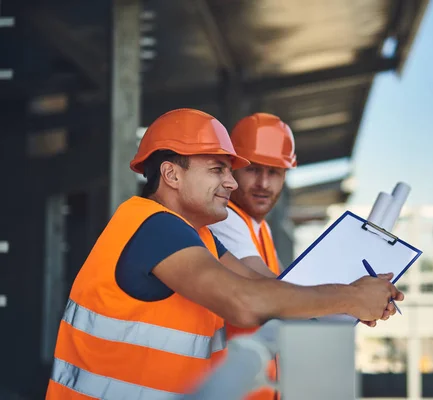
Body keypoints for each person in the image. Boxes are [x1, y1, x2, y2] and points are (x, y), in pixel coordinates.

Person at [45, 108, 403, 399]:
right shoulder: (154, 226)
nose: (231, 184)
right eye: (218, 170)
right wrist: (352, 296)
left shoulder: (197, 236)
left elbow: (270, 289)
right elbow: (244, 302)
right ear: (171, 174)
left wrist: (354, 299)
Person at [209, 113, 296, 400]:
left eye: (275, 173)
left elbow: (290, 285)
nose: (264, 183)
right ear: (231, 170)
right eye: (254, 170)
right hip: (223, 387)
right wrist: (348, 297)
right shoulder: (225, 219)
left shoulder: (260, 227)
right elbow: (271, 289)